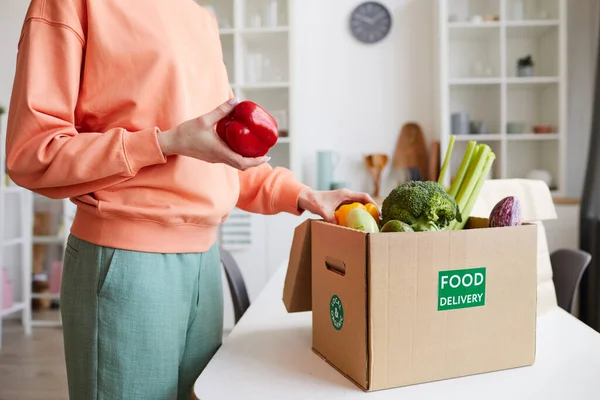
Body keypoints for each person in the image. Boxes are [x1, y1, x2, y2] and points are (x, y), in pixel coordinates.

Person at [5, 1, 374, 399]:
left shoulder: (200, 18)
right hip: (125, 263)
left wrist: (305, 195)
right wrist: (165, 143)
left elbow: (221, 160)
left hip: (204, 265)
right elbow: (32, 153)